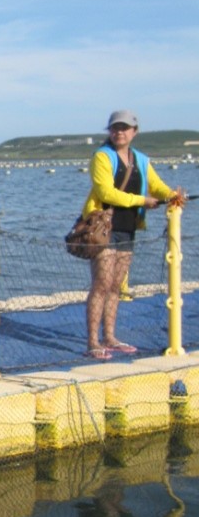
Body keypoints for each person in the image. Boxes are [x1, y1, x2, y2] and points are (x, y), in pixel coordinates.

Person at [83, 109, 184, 360]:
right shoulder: (102, 157)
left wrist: (172, 195)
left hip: (128, 228)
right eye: (115, 128)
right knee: (101, 284)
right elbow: (106, 193)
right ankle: (93, 341)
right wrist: (142, 200)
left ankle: (110, 336)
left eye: (125, 128)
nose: (119, 132)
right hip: (102, 230)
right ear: (109, 131)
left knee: (116, 284)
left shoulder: (140, 159)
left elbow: (156, 185)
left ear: (134, 132)